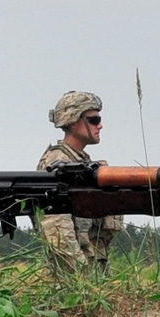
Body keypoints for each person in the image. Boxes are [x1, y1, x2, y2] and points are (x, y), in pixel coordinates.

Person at [36, 91, 122, 271]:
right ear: (74, 121)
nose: (100, 126)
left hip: (90, 274)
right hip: (72, 282)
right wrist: (81, 280)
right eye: (94, 120)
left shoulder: (80, 162)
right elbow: (57, 232)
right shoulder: (57, 163)